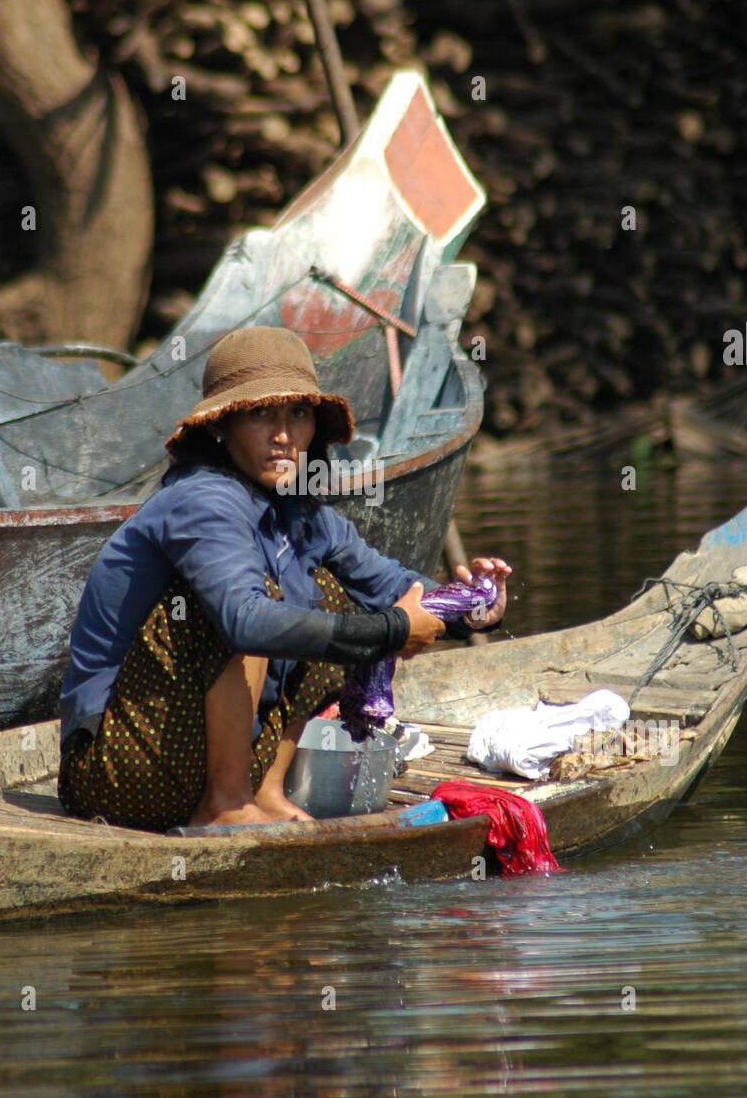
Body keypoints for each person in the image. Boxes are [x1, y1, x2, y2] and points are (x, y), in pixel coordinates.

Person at [58, 326, 510, 831]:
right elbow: (244, 621)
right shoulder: (202, 500)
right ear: (221, 426)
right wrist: (391, 631)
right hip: (122, 767)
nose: (283, 435)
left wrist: (471, 605)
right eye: (261, 414)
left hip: (214, 754)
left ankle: (265, 791)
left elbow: (394, 588)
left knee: (340, 597)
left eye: (297, 414)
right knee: (252, 607)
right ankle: (226, 804)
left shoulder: (304, 513)